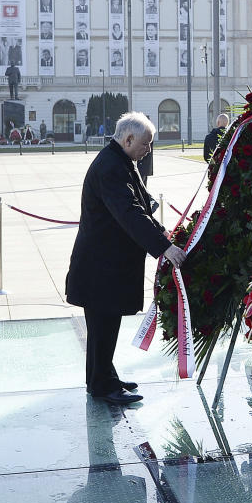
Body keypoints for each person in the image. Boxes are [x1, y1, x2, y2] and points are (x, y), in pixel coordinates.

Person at [65, 112, 186, 404]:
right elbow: (129, 213)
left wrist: (162, 234)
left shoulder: (120, 161)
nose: (148, 150)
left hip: (104, 265)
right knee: (103, 326)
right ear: (128, 139)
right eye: (146, 144)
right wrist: (164, 247)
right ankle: (103, 385)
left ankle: (102, 377)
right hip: (100, 267)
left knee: (103, 327)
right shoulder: (111, 167)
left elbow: (140, 207)